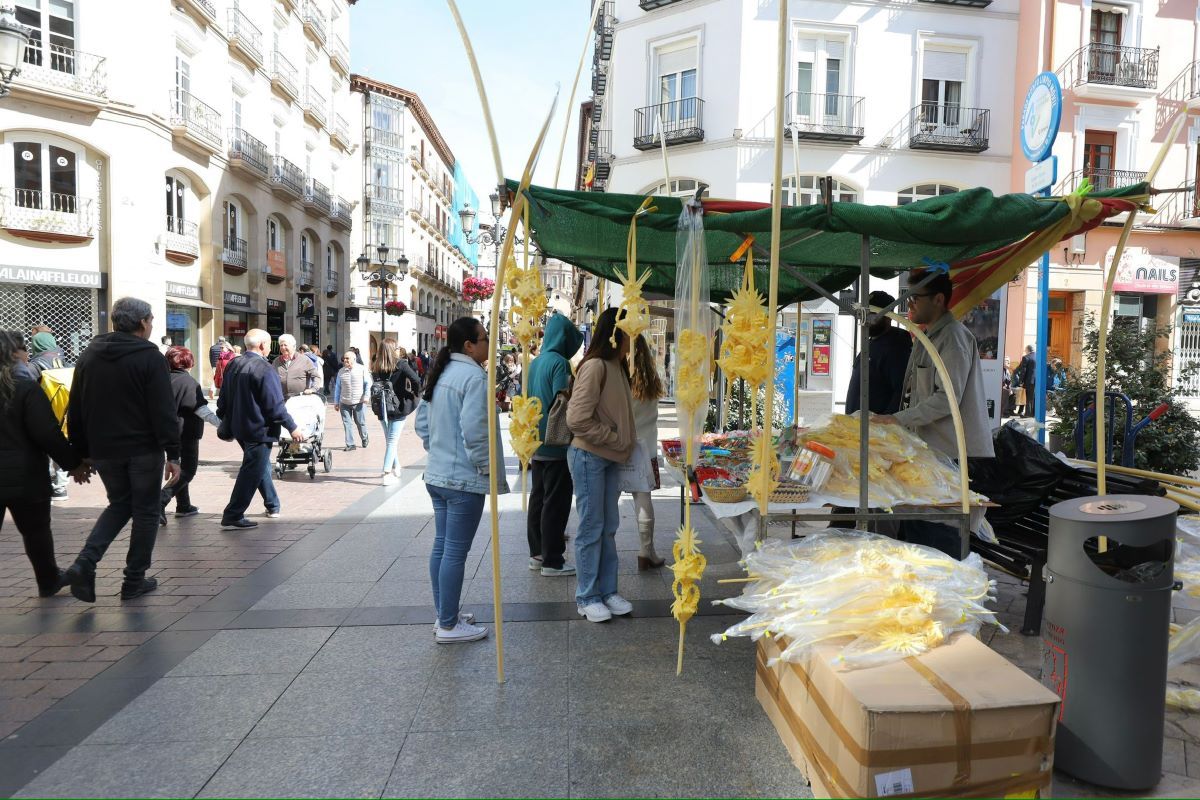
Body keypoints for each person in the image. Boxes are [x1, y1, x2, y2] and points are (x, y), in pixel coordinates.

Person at [61, 297, 182, 602]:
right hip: (142, 448)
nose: (152, 324)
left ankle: (85, 562)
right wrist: (174, 453)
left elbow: (76, 406)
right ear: (142, 322)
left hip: (104, 450)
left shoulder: (90, 355)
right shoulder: (150, 357)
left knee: (119, 505)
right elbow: (163, 409)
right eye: (151, 319)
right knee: (145, 512)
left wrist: (81, 452)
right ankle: (133, 580)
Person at [873, 271, 994, 558]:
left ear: (938, 300)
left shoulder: (952, 338)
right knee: (917, 529)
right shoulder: (928, 335)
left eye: (914, 298)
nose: (909, 305)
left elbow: (946, 398)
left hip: (948, 453)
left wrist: (898, 419)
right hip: (926, 452)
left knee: (937, 534)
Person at [415, 317, 508, 643]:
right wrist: (483, 466)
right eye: (484, 339)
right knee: (454, 551)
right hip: (461, 480)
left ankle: (446, 613)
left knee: (442, 547)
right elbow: (475, 430)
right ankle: (449, 625)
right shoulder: (473, 377)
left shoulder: (443, 373)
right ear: (469, 345)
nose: (488, 344)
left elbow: (423, 423)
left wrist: (438, 447)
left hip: (439, 474)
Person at [0, 331, 88, 597]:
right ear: (15, 353)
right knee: (36, 531)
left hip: (21, 474)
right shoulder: (24, 387)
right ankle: (48, 580)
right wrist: (73, 463)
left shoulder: (24, 385)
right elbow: (47, 432)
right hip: (24, 475)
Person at [565, 307, 637, 623]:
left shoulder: (616, 366)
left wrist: (618, 442)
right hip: (590, 457)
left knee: (607, 527)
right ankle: (588, 596)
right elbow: (576, 418)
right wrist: (612, 437)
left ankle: (607, 591)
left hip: (608, 457)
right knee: (592, 527)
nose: (633, 340)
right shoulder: (595, 366)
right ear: (616, 333)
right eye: (629, 332)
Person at [217, 329, 304, 530]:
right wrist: (292, 427)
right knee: (252, 469)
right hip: (258, 428)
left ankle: (272, 505)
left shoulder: (233, 364)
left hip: (240, 426)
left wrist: (225, 418)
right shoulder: (264, 369)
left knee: (259, 465)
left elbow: (223, 398)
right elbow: (275, 405)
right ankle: (233, 513)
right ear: (264, 345)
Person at [526, 314, 583, 576]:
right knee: (556, 502)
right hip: (557, 442)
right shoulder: (560, 363)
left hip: (535, 441)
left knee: (538, 498)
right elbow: (565, 401)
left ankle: (537, 553)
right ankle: (552, 560)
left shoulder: (536, 362)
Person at [159, 346, 219, 525]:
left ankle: (184, 505)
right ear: (188, 362)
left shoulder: (162, 380)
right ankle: (161, 500)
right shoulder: (189, 383)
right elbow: (200, 409)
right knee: (188, 470)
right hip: (186, 432)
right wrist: (222, 425)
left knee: (178, 466)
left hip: (166, 433)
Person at [629, 334, 666, 570]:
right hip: (646, 448)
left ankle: (604, 549)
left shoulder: (620, 376)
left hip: (618, 445)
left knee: (609, 500)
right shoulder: (651, 378)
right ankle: (646, 551)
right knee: (643, 499)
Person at [844, 291, 912, 415]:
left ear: (888, 316)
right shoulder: (871, 342)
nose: (866, 319)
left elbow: (901, 392)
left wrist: (884, 425)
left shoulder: (895, 347)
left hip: (876, 430)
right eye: (865, 313)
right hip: (856, 428)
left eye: (872, 314)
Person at [27, 331, 71, 500]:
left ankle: (47, 484)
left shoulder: (34, 366)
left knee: (42, 449)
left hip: (42, 413)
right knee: (60, 446)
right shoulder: (64, 361)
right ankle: (60, 487)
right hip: (64, 412)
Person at [371, 341, 421, 485]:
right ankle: (387, 472)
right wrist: (414, 394)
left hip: (381, 406)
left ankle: (396, 466)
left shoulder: (376, 366)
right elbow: (416, 379)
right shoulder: (400, 364)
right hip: (398, 405)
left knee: (390, 440)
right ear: (393, 350)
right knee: (392, 441)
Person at [333, 351, 371, 450]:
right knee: (347, 423)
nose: (345, 360)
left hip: (359, 402)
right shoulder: (341, 371)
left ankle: (364, 437)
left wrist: (366, 397)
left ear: (354, 359)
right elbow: (337, 387)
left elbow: (368, 384)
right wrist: (336, 402)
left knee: (360, 422)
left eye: (347, 358)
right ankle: (350, 444)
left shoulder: (362, 369)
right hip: (344, 402)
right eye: (344, 358)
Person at [272, 334, 318, 399]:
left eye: (285, 345)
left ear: (293, 346)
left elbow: (316, 376)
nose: (283, 347)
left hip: (300, 400)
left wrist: (313, 389)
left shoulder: (304, 360)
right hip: (282, 399)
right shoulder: (276, 361)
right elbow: (272, 378)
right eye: (281, 345)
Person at [1017, 344, 1037, 418]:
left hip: (1029, 381)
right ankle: (1034, 414)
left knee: (1029, 397)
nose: (1025, 351)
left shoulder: (1026, 357)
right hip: (1037, 381)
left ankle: (1028, 414)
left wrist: (1020, 381)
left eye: (1025, 350)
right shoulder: (1038, 356)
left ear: (1028, 350)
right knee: (1034, 397)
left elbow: (1023, 371)